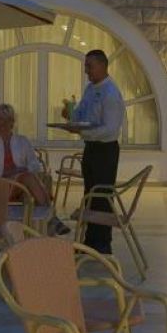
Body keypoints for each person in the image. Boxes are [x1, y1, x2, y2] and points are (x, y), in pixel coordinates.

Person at [61, 49, 125, 255]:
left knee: (102, 195)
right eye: (86, 66)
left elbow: (110, 129)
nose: (86, 70)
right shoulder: (90, 89)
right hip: (91, 148)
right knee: (90, 194)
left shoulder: (110, 93)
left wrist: (81, 132)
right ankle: (90, 240)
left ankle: (102, 244)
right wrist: (70, 115)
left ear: (102, 66)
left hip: (105, 150)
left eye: (90, 66)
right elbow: (82, 115)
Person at [0, 103, 69, 236]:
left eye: (3, 119)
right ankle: (51, 219)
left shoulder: (22, 141)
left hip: (20, 185)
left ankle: (45, 222)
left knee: (31, 177)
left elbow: (35, 164)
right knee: (29, 178)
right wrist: (2, 174)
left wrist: (22, 169)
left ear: (11, 122)